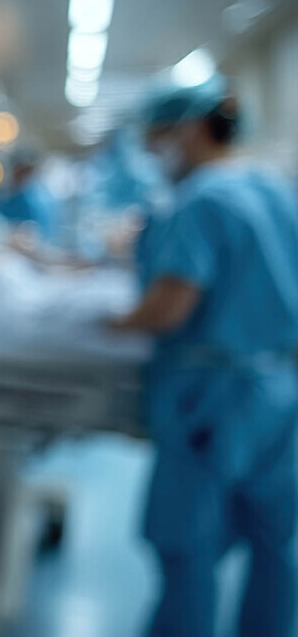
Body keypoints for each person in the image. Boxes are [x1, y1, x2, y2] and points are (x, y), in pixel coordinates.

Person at [110, 84, 298, 637]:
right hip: (279, 390)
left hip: (209, 397)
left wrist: (108, 323)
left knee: (188, 551)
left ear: (189, 130)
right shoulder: (276, 189)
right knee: (275, 543)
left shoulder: (202, 200)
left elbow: (170, 307)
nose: (151, 151)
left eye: (155, 138)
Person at [0, 151, 59, 242]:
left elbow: (42, 234)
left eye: (24, 172)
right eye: (18, 172)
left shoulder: (40, 199)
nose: (21, 177)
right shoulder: (6, 198)